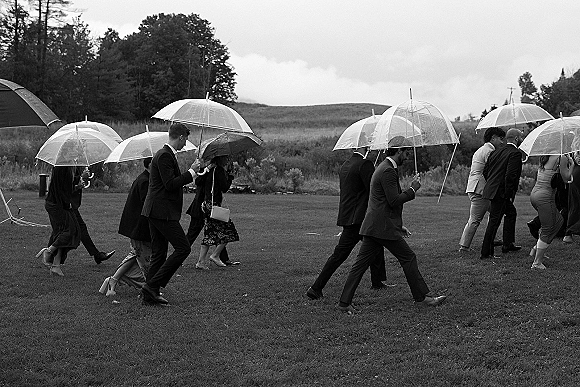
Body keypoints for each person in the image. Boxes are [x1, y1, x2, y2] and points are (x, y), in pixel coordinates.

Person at [337, 137, 447, 314]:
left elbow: (382, 202)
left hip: (377, 225)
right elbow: (394, 200)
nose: (408, 156)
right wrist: (412, 190)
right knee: (408, 257)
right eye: (406, 152)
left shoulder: (384, 167)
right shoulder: (387, 171)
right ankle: (422, 298)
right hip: (382, 227)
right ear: (398, 152)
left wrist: (399, 225)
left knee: (360, 265)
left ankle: (344, 303)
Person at [306, 147, 386, 301]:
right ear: (365, 147)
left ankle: (377, 281)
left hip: (348, 216)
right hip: (359, 218)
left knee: (376, 245)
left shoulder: (346, 165)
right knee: (340, 255)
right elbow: (373, 190)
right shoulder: (365, 164)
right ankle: (316, 288)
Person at [140, 123, 201, 306]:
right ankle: (152, 286)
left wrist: (193, 175)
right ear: (181, 137)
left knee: (159, 252)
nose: (185, 143)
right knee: (183, 248)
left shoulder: (163, 154)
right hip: (161, 211)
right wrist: (191, 171)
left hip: (155, 209)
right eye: (186, 139)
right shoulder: (165, 155)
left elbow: (170, 183)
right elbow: (170, 184)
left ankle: (149, 294)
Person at [99, 158, 152, 296]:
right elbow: (148, 205)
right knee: (146, 259)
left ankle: (113, 280)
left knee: (135, 254)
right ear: (151, 165)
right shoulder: (145, 181)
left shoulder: (144, 179)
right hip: (140, 228)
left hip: (137, 227)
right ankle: (149, 290)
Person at [458, 127, 505, 252]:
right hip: (481, 189)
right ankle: (464, 247)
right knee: (475, 219)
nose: (502, 142)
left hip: (476, 187)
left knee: (495, 213)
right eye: (500, 139)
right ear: (493, 138)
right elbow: (491, 172)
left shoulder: (482, 149)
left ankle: (492, 238)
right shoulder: (489, 151)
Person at [480, 128, 524, 259]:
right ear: (516, 139)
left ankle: (508, 244)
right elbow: (511, 175)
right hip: (502, 192)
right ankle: (486, 253)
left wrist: (493, 184)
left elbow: (486, 171)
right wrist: (509, 194)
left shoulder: (496, 151)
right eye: (521, 137)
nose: (522, 139)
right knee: (494, 221)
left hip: (494, 189)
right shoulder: (515, 153)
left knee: (511, 213)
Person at [186, 161, 237, 266]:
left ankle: (214, 258)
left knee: (211, 232)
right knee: (222, 230)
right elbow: (224, 187)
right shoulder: (213, 170)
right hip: (208, 206)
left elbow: (199, 181)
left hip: (204, 205)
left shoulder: (209, 170)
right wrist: (230, 177)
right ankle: (214, 257)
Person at [528, 155, 572, 269]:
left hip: (535, 194)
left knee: (558, 221)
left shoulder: (545, 156)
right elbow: (566, 178)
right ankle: (537, 263)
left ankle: (536, 249)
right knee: (548, 228)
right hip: (545, 197)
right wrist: (572, 165)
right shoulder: (561, 157)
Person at [36, 166, 81, 277]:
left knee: (63, 232)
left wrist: (76, 186)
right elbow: (62, 189)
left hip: (59, 203)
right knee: (69, 230)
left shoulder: (67, 167)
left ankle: (56, 266)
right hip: (56, 205)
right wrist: (75, 188)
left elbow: (65, 188)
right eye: (75, 149)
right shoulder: (63, 167)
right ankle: (49, 251)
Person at [71, 167, 116, 265]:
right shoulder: (66, 167)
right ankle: (50, 253)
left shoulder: (74, 165)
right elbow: (63, 188)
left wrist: (82, 179)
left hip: (71, 205)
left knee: (76, 229)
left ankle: (97, 255)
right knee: (67, 231)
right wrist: (78, 184)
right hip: (67, 205)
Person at [563, 150, 580, 243]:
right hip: (578, 174)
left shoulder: (574, 146)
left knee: (574, 204)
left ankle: (568, 234)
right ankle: (569, 232)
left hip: (575, 175)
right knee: (576, 204)